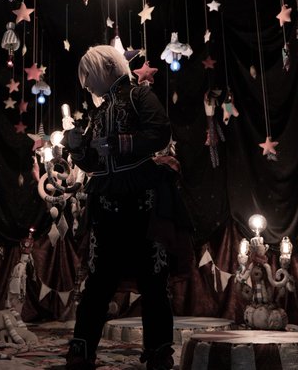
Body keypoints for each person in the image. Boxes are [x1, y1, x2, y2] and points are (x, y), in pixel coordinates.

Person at [64, 45, 190, 370]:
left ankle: (159, 353)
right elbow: (95, 163)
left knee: (152, 279)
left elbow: (160, 132)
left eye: (89, 75)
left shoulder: (139, 95)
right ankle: (81, 350)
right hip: (106, 201)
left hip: (143, 199)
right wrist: (78, 149)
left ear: (106, 68)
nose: (86, 84)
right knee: (98, 279)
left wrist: (120, 143)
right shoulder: (99, 111)